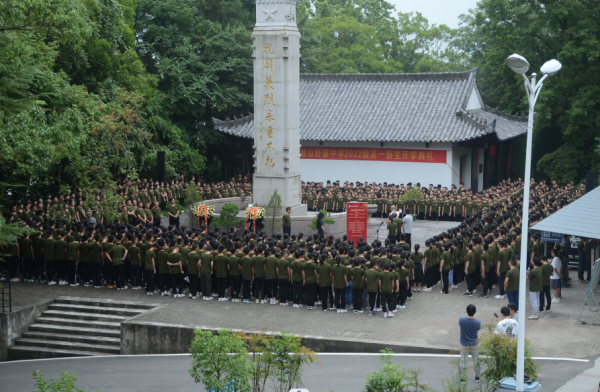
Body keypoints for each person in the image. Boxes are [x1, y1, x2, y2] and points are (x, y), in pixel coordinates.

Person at [459, 304, 481, 383]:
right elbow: (477, 330)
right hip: (474, 344)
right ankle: (477, 377)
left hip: (464, 344)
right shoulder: (478, 322)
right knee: (476, 361)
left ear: (466, 311)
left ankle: (463, 378)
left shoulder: (461, 319)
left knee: (463, 361)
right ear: (475, 312)